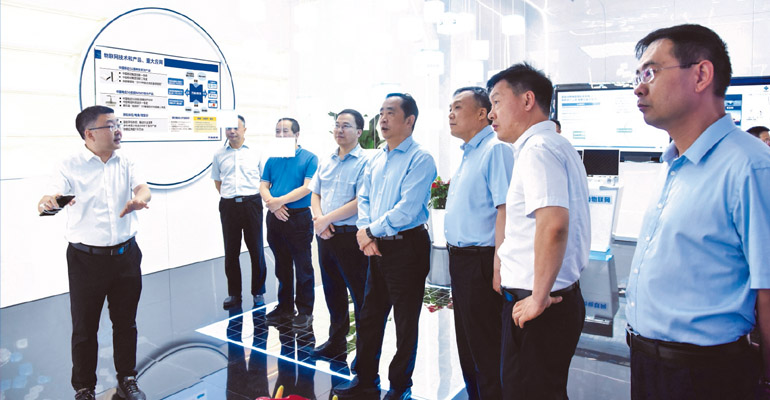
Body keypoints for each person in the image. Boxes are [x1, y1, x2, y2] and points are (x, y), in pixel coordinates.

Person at [625, 24, 770, 400]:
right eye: (637, 77)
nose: (639, 88)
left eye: (650, 72)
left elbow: (768, 287)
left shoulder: (751, 167)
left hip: (705, 375)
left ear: (702, 74)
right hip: (647, 362)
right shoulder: (673, 163)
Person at [487, 63, 590, 399]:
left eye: (497, 102)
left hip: (540, 307)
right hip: (551, 301)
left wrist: (539, 297)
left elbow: (554, 224)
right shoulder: (554, 144)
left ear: (528, 99)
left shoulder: (538, 149)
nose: (491, 114)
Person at [38, 105, 150, 400]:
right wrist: (49, 202)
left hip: (126, 256)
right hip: (85, 260)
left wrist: (139, 199)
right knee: (85, 327)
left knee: (126, 323)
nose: (118, 130)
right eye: (110, 125)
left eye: (118, 124)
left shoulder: (126, 160)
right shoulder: (69, 165)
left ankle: (127, 378)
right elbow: (49, 198)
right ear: (89, 134)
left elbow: (143, 189)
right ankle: (84, 388)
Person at [333, 93, 437, 400]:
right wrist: (367, 232)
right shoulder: (376, 157)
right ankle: (366, 380)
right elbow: (364, 197)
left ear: (409, 120)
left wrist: (369, 231)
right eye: (381, 113)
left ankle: (400, 386)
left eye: (391, 112)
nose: (383, 119)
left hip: (407, 247)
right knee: (369, 315)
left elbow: (407, 209)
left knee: (405, 321)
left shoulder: (421, 158)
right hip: (376, 245)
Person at [444, 86, 513, 399]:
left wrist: (498, 266)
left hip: (482, 262)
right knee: (468, 345)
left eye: (458, 107)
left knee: (485, 348)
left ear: (482, 113)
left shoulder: (495, 149)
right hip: (461, 261)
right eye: (450, 107)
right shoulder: (469, 153)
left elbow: (505, 210)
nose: (451, 114)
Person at [309, 109, 369, 360]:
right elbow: (315, 192)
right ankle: (336, 342)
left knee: (359, 294)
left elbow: (361, 201)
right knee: (332, 290)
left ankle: (365, 351)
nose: (339, 130)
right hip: (325, 235)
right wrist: (319, 220)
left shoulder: (366, 162)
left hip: (350, 236)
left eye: (346, 126)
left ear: (359, 131)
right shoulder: (327, 160)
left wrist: (326, 220)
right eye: (337, 125)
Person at [260, 118, 318, 329]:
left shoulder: (309, 158)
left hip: (298, 218)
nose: (281, 135)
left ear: (296, 134)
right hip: (275, 217)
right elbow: (263, 185)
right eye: (278, 131)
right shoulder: (272, 159)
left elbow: (307, 187)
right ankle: (284, 307)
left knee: (303, 266)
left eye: (285, 131)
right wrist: (273, 205)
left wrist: (279, 202)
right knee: (282, 265)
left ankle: (305, 311)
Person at [211, 115, 267, 310]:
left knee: (256, 249)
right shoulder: (218, 154)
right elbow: (218, 181)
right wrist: (230, 197)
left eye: (236, 128)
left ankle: (258, 291)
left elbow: (264, 180)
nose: (232, 131)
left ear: (244, 129)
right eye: (228, 128)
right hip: (228, 206)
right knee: (231, 251)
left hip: (252, 204)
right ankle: (234, 293)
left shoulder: (256, 152)